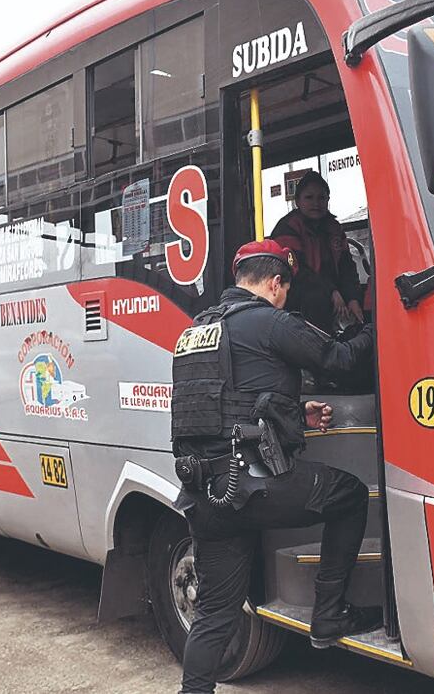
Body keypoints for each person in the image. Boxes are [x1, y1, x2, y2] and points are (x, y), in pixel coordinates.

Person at [171, 239, 380, 694]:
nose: (286, 296)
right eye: (285, 287)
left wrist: (292, 414)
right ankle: (328, 614)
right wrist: (380, 324)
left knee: (214, 614)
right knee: (348, 496)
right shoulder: (269, 321)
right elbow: (339, 359)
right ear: (275, 282)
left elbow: (227, 403)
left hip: (205, 491)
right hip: (253, 486)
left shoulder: (197, 330)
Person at [271, 171, 364, 333]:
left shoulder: (334, 228)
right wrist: (331, 292)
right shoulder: (287, 228)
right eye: (309, 197)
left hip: (333, 298)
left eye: (322, 198)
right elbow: (295, 271)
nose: (316, 203)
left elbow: (346, 267)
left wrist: (353, 299)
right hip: (297, 300)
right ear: (297, 201)